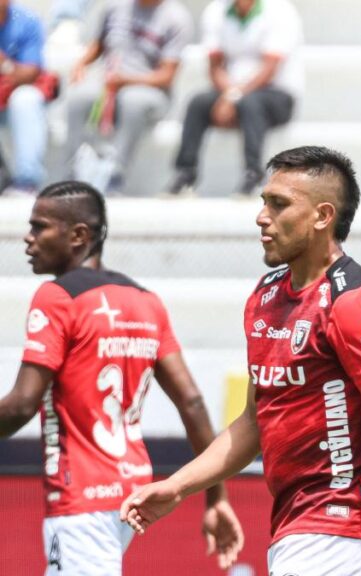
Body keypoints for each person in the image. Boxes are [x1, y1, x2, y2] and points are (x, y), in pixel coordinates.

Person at [121, 146, 361, 576]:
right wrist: (177, 487)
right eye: (264, 201)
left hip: (346, 522)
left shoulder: (355, 304)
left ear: (322, 216)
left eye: (278, 204)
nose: (261, 217)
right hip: (298, 525)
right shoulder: (266, 296)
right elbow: (254, 422)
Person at [0, 181, 242, 573]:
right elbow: (192, 401)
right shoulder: (145, 300)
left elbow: (21, 406)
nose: (28, 238)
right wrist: (217, 498)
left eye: (39, 227)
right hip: (132, 490)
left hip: (81, 494)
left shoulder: (57, 297)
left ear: (78, 235)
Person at [165, 0, 303, 198]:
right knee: (198, 103)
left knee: (251, 104)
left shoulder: (280, 10)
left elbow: (269, 69)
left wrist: (233, 97)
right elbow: (215, 66)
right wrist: (230, 94)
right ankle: (185, 174)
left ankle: (253, 175)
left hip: (277, 94)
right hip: (231, 91)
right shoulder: (215, 11)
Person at [61, 0, 193, 194]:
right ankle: (73, 173)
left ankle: (114, 175)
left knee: (133, 101)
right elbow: (99, 44)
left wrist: (126, 80)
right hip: (109, 85)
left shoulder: (176, 18)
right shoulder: (114, 6)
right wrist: (81, 63)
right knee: (78, 98)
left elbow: (167, 76)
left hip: (151, 91)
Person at [0, 0, 48, 195]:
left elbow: (31, 73)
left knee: (26, 99)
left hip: (11, 98)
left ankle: (26, 182)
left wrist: (4, 64)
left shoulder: (26, 20)